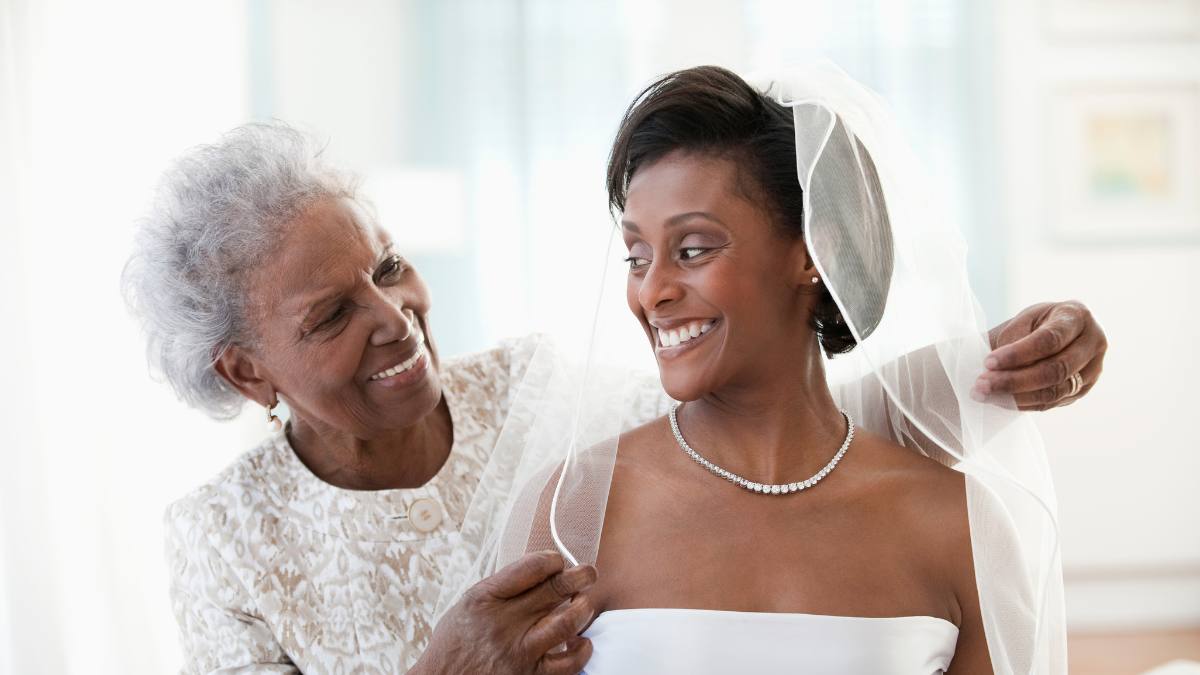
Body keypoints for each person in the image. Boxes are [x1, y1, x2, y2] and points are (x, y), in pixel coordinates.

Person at [124, 119, 1101, 673]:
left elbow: (774, 415)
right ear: (246, 370)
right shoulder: (222, 542)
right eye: (332, 315)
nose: (395, 316)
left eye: (389, 265)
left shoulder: (536, 393)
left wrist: (1003, 362)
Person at [466, 65, 1072, 674]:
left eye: (694, 249)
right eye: (637, 256)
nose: (652, 292)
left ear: (814, 253)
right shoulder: (571, 511)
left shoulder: (958, 525)